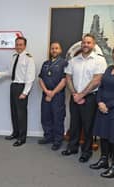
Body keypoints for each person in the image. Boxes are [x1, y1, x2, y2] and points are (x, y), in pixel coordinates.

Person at [62, 33, 107, 163]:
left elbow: (97, 80)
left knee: (88, 126)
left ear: (93, 45)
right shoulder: (74, 60)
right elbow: (68, 77)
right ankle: (73, 147)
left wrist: (82, 95)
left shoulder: (99, 60)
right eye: (84, 42)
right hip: (74, 96)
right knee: (74, 124)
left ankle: (86, 152)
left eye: (88, 42)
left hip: (90, 98)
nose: (85, 45)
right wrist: (75, 94)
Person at [0, 36, 36, 147]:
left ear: (24, 46)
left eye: (20, 45)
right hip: (14, 86)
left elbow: (30, 78)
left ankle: (22, 137)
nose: (18, 47)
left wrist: (25, 92)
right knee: (14, 112)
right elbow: (10, 72)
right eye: (17, 44)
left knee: (21, 114)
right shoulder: (14, 57)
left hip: (22, 87)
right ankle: (15, 133)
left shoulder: (29, 58)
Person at [38, 42, 68, 150]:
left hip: (57, 96)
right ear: (50, 50)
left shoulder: (64, 63)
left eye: (56, 48)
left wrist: (53, 93)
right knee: (45, 117)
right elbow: (40, 79)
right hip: (46, 94)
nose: (54, 50)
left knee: (58, 118)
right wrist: (46, 91)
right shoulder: (45, 63)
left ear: (60, 50)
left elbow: (64, 80)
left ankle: (57, 140)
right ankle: (48, 136)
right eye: (52, 48)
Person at [90, 48, 114, 178]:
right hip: (102, 108)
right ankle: (104, 160)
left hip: (112, 110)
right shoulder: (109, 68)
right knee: (103, 136)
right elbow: (101, 86)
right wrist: (99, 102)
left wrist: (108, 106)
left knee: (112, 138)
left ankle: (113, 166)